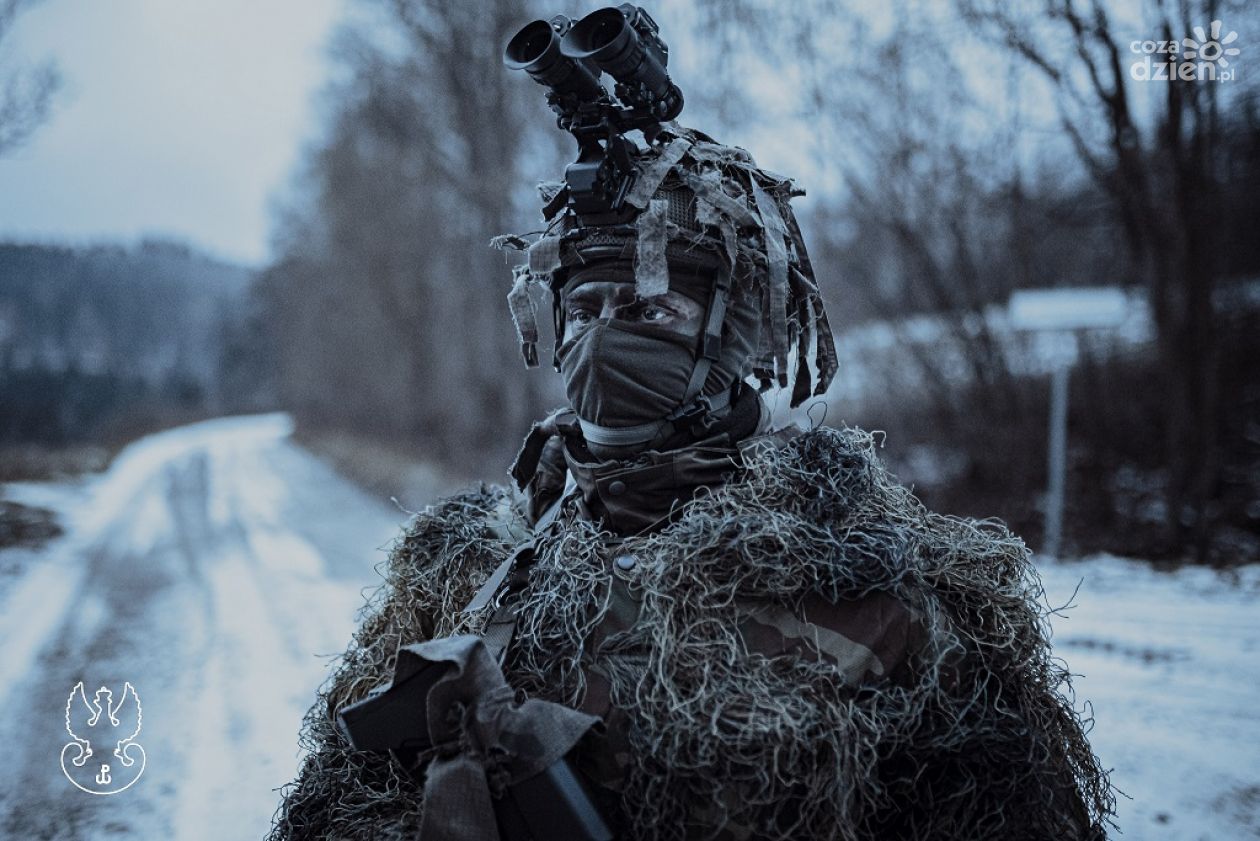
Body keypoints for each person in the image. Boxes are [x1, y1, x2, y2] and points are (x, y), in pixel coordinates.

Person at [270, 21, 1114, 841]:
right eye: (585, 309)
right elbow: (341, 806)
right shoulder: (464, 568)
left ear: (732, 339)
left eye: (649, 310)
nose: (605, 335)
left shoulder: (867, 584)